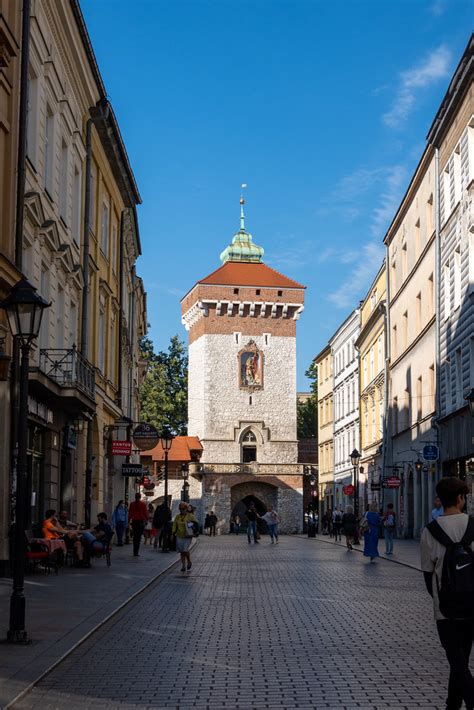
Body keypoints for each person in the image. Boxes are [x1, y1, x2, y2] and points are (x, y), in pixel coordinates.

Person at [420, 476, 474, 710]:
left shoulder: (430, 531)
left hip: (445, 608)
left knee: (456, 659)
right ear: (461, 498)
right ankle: (452, 705)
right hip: (472, 604)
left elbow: (427, 573)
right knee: (461, 659)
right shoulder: (472, 525)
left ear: (440, 501)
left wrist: (439, 599)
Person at [172, 502, 198, 571]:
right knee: (181, 551)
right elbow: (175, 525)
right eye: (180, 509)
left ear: (186, 509)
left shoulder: (190, 516)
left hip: (187, 536)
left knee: (185, 550)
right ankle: (183, 566)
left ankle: (189, 561)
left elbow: (195, 524)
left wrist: (189, 524)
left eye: (183, 509)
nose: (181, 510)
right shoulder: (177, 517)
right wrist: (173, 533)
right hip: (179, 535)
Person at [128, 492, 148, 557]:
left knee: (135, 537)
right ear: (140, 497)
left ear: (135, 497)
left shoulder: (132, 504)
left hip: (134, 522)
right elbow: (145, 513)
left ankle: (134, 551)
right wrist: (146, 520)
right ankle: (136, 552)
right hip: (140, 522)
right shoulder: (143, 504)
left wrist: (128, 521)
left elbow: (130, 513)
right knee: (138, 537)